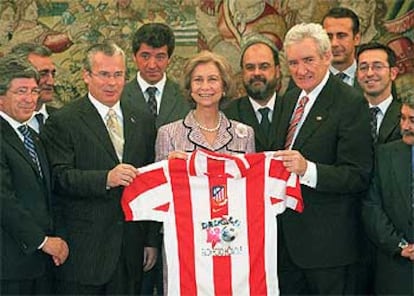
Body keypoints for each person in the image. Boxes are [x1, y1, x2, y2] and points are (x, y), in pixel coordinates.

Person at [41, 41, 160, 295]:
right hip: (84, 254)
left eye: (118, 75)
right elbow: (59, 178)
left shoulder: (143, 119)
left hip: (130, 252)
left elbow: (150, 182)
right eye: (104, 74)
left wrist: (150, 240)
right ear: (86, 76)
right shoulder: (64, 121)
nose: (112, 82)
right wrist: (106, 178)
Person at [274, 23, 372, 294]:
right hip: (286, 242)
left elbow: (358, 175)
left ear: (327, 57)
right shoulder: (289, 98)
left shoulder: (350, 102)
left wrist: (308, 170)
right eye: (293, 62)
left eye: (308, 60)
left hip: (329, 249)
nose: (301, 70)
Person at [0, 55, 69, 294]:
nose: (30, 99)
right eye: (21, 91)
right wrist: (43, 241)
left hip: (37, 266)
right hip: (9, 267)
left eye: (33, 91)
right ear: (1, 97)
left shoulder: (32, 136)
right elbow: (4, 201)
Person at [156, 50, 255, 162]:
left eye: (212, 79)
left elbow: (251, 178)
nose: (205, 86)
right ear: (190, 87)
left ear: (224, 86)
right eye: (198, 80)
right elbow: (160, 177)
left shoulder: (245, 135)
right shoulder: (168, 134)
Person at [362, 92, 414, 295]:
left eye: (412, 120)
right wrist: (399, 245)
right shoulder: (384, 155)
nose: (405, 126)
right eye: (402, 118)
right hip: (395, 269)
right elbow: (372, 206)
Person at [122, 22, 190, 129]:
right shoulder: (120, 97)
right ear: (134, 57)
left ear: (169, 59)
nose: (152, 65)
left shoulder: (185, 97)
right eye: (145, 56)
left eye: (160, 57)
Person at [224, 33, 282, 152]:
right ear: (242, 73)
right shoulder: (228, 116)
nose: (256, 73)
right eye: (250, 67)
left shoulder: (292, 110)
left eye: (264, 67)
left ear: (277, 71)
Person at [356, 42, 401, 145]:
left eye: (378, 67)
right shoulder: (346, 115)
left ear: (393, 73)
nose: (370, 73)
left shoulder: (406, 115)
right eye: (363, 68)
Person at [11, 43, 58, 133]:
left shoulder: (64, 119)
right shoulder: (6, 121)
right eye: (43, 74)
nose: (51, 82)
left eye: (53, 74)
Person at [322, 7, 361, 87]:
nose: (334, 44)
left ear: (356, 39)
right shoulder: (308, 78)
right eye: (329, 37)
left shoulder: (373, 77)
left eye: (341, 36)